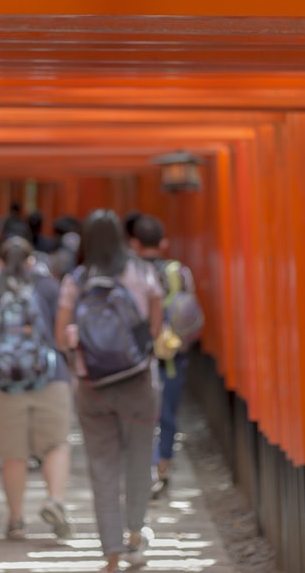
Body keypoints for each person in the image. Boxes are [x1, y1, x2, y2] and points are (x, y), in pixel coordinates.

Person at [54, 209, 163, 572]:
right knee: (138, 460)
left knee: (102, 468)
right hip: (137, 381)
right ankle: (135, 536)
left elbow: (60, 336)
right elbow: (156, 327)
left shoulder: (77, 279)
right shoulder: (140, 272)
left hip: (92, 386)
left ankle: (112, 553)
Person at [0, 225, 75, 542]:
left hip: (5, 381)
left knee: (14, 455)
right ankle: (55, 500)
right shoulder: (48, 286)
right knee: (55, 444)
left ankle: (16, 521)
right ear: (31, 261)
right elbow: (63, 329)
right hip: (50, 377)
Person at [130, 214, 201, 499]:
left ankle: (140, 469)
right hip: (170, 354)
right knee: (167, 413)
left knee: (138, 413)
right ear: (163, 242)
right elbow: (189, 311)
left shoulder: (129, 272)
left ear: (134, 243)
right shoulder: (178, 272)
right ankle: (163, 469)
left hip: (135, 355)